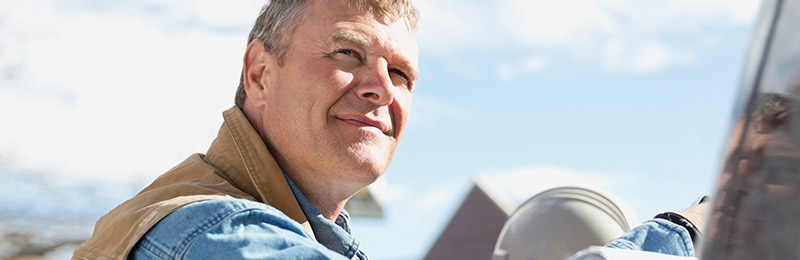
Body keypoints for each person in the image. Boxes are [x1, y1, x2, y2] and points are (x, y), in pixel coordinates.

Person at [72, 0, 419, 259]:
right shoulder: (221, 233)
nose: (384, 89)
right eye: (347, 52)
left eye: (401, 74)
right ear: (260, 75)